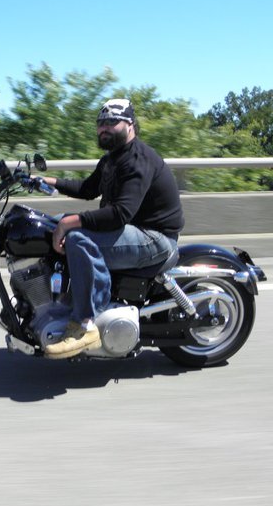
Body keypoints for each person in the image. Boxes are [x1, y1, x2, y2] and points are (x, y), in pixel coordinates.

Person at [39, 98, 184, 359]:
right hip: (131, 230)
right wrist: (48, 181)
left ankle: (85, 325)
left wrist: (68, 223)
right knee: (51, 223)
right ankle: (61, 302)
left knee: (77, 237)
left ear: (130, 125)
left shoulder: (138, 159)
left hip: (154, 238)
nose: (104, 128)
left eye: (111, 122)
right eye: (100, 123)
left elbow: (120, 214)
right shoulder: (112, 159)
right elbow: (88, 189)